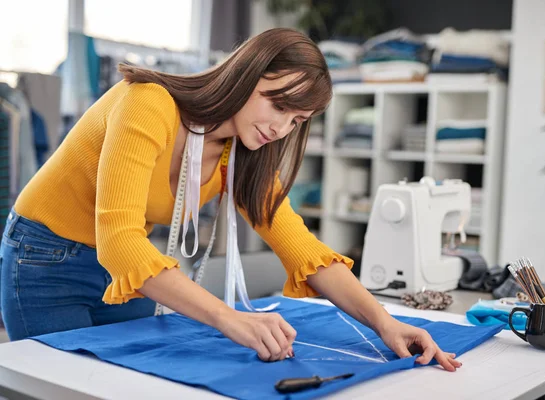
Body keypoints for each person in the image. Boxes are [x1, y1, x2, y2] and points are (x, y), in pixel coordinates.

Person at [0, 28, 461, 371]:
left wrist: (385, 323)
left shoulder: (240, 155)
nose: (282, 128)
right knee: (65, 384)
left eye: (297, 120)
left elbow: (304, 252)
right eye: (278, 105)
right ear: (245, 74)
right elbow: (120, 241)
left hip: (126, 270)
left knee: (130, 383)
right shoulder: (148, 103)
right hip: (46, 260)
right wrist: (229, 319)